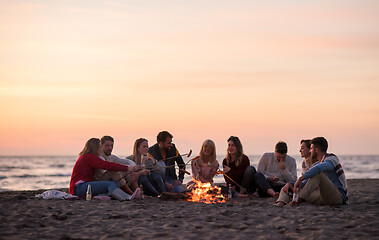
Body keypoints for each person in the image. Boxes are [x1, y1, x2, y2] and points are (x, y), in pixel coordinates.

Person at [69, 138, 142, 201]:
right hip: (79, 188)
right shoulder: (89, 157)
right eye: (100, 147)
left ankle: (100, 196)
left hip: (87, 186)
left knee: (115, 182)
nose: (101, 149)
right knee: (110, 184)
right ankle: (127, 197)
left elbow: (110, 167)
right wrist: (128, 168)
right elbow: (107, 165)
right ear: (95, 148)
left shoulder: (90, 156)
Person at [290, 137, 348, 206]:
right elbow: (306, 182)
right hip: (324, 196)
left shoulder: (331, 160)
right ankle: (280, 202)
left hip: (337, 197)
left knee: (318, 175)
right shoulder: (317, 164)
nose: (310, 151)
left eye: (311, 148)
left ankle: (297, 201)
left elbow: (319, 168)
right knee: (291, 191)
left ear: (316, 150)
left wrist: (300, 179)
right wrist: (290, 184)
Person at [276, 139, 317, 206]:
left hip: (313, 190)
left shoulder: (316, 162)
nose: (300, 151)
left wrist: (291, 183)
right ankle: (280, 202)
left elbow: (309, 181)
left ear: (310, 149)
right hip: (304, 189)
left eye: (302, 148)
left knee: (289, 186)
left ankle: (288, 201)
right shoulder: (304, 162)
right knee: (286, 188)